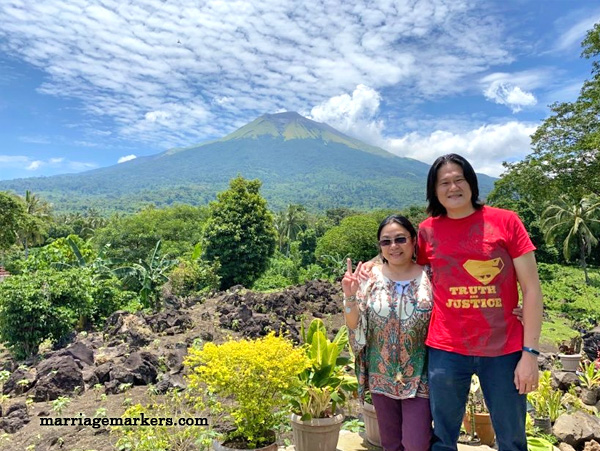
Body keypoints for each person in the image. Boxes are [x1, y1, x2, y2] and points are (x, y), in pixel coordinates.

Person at [417, 153, 543, 451]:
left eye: (459, 179)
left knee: (512, 438)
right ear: (434, 191)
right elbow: (404, 266)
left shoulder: (505, 221)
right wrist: (370, 268)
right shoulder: (427, 230)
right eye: (444, 182)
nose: (453, 187)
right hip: (446, 348)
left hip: (504, 349)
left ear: (471, 182)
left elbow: (532, 289)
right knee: (442, 438)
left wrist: (531, 354)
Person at [342, 214, 434, 451]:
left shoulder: (431, 276)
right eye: (386, 242)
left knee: (417, 443)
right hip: (381, 374)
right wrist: (350, 295)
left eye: (400, 239)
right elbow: (355, 325)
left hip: (421, 376)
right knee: (391, 444)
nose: (394, 246)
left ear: (413, 240)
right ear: (380, 247)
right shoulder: (369, 278)